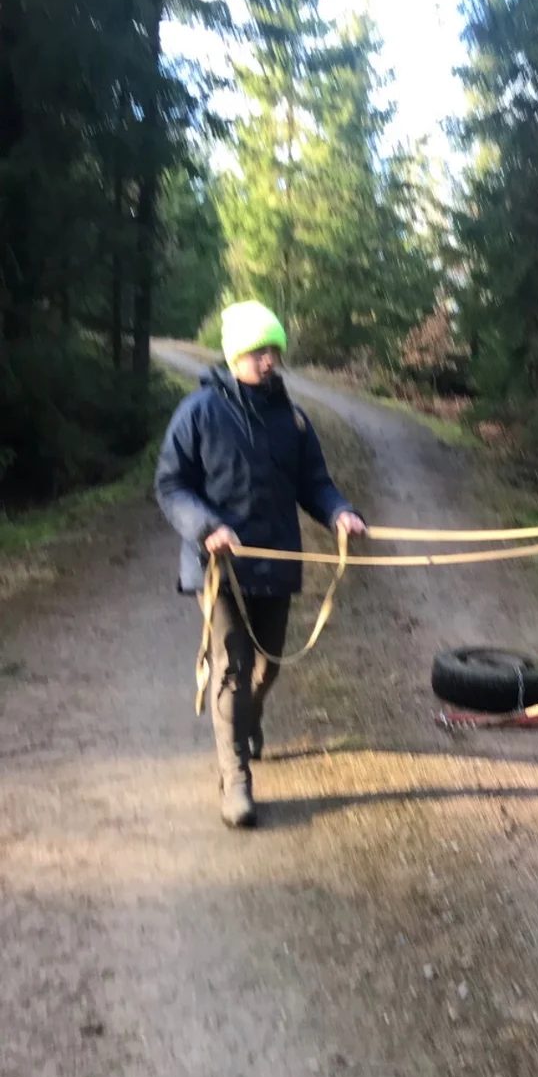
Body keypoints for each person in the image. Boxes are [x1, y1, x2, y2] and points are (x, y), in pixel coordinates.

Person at [155, 301, 367, 828]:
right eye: (258, 351)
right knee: (232, 668)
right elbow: (172, 485)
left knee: (268, 665)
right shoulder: (200, 411)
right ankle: (236, 780)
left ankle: (248, 717)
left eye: (274, 350)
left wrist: (339, 512)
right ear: (235, 356)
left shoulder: (292, 419)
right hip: (219, 568)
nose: (269, 360)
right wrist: (208, 528)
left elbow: (314, 482)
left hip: (276, 561)